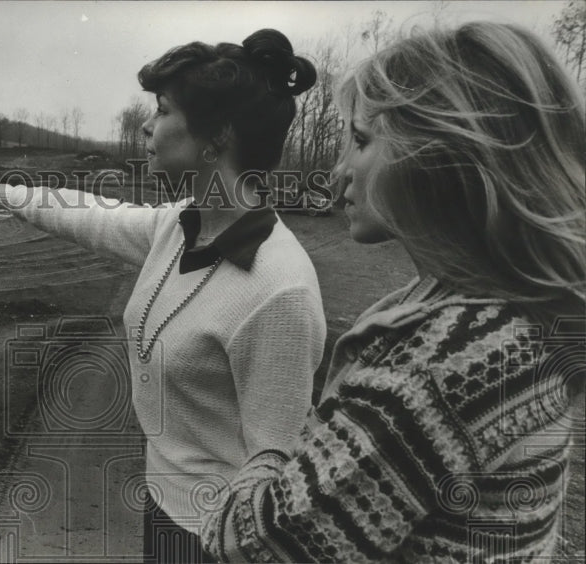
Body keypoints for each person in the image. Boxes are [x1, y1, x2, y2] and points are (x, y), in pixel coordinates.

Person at [199, 21, 585, 562]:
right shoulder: (504, 310)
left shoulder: (445, 365)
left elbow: (252, 543)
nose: (338, 171)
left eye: (360, 141)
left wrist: (268, 455)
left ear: (440, 157)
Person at [0, 29, 325, 563]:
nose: (148, 125)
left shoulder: (279, 290)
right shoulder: (178, 226)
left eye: (163, 111)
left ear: (215, 136)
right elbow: (89, 214)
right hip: (163, 512)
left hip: (220, 542)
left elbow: (277, 467)